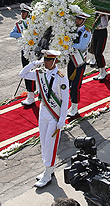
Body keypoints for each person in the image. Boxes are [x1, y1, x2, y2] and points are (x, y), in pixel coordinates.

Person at [19, 49, 69, 188]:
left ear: (55, 61)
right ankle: (48, 169)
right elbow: (22, 74)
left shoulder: (61, 77)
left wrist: (62, 119)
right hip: (43, 110)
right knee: (43, 141)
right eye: (45, 60)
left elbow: (65, 100)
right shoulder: (41, 73)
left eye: (48, 60)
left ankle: (48, 173)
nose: (45, 62)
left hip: (54, 113)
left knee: (50, 143)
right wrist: (35, 63)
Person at [67, 12, 92, 117]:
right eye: (76, 19)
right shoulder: (72, 28)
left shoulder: (85, 32)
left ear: (83, 21)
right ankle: (72, 104)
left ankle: (75, 108)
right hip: (71, 59)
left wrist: (67, 44)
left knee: (75, 85)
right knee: (70, 83)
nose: (77, 21)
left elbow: (81, 45)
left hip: (79, 61)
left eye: (79, 19)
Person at [10, 4, 36, 105]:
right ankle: (30, 95)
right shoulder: (19, 23)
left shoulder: (34, 23)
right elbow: (12, 34)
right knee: (26, 71)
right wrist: (24, 35)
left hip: (34, 50)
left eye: (24, 12)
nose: (22, 14)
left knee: (36, 72)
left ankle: (38, 93)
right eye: (21, 12)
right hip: (25, 50)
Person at [91, 11, 110, 80]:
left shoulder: (105, 14)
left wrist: (102, 16)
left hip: (102, 32)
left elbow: (104, 24)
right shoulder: (94, 13)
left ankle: (103, 71)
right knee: (95, 52)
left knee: (99, 52)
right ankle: (100, 71)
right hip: (95, 31)